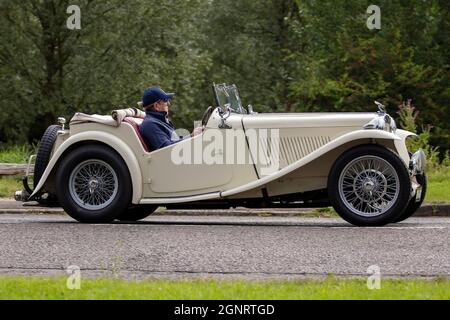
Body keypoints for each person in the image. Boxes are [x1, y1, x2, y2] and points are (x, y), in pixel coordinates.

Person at [139, 86, 203, 151]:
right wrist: (192, 136)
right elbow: (167, 149)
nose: (169, 104)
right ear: (156, 105)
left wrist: (192, 136)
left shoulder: (159, 121)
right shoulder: (150, 124)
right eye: (166, 100)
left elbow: (174, 142)